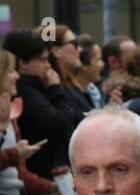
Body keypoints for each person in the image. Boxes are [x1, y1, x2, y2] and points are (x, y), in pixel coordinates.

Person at [4, 29, 83, 182]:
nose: (48, 66)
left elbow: (76, 118)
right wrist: (56, 91)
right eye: (42, 60)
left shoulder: (40, 86)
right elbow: (59, 125)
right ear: (21, 63)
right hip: (41, 177)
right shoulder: (23, 92)